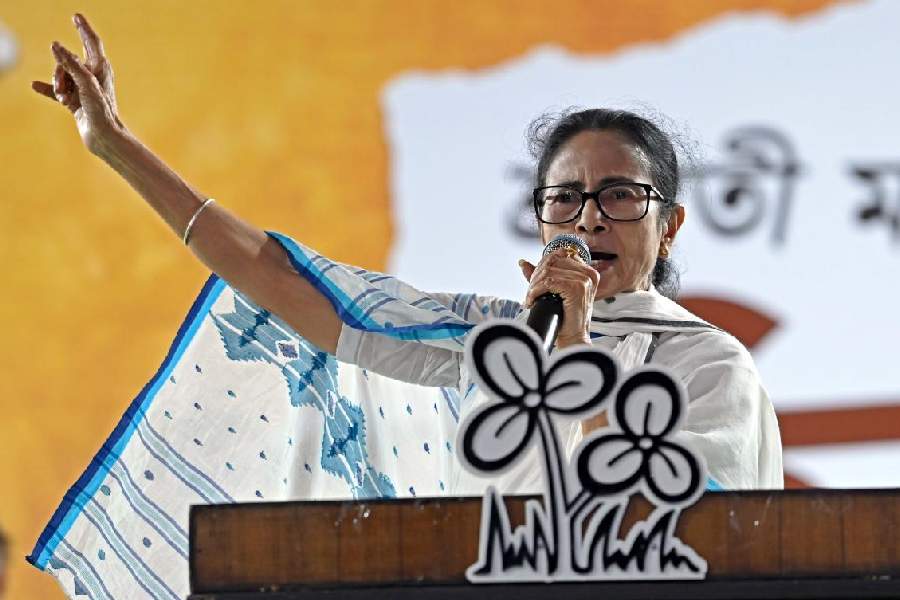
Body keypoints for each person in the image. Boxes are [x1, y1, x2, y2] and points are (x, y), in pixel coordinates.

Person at [33, 14, 782, 493]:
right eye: (565, 199)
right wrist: (116, 148)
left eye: (620, 196)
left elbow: (669, 522)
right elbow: (279, 274)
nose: (589, 220)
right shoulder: (488, 343)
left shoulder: (710, 366)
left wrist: (577, 345)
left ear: (671, 225)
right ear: (539, 221)